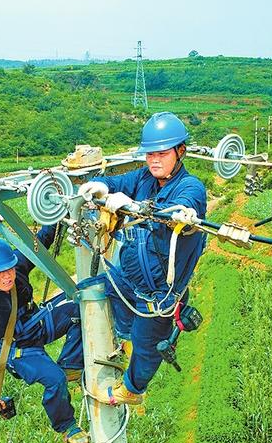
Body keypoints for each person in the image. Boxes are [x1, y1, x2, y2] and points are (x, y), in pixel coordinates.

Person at [77, 112, 207, 405]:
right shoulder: (146, 178)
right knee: (97, 287)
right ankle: (119, 341)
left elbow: (174, 213)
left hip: (159, 292)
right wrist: (101, 185)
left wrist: (133, 205)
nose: (154, 160)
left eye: (162, 153)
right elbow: (119, 180)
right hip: (131, 276)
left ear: (180, 151)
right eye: (150, 154)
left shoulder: (191, 189)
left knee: (147, 347)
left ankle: (132, 390)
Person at [0, 219, 88, 443]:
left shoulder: (15, 269)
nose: (8, 276)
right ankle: (66, 425)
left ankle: (71, 365)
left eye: (9, 269)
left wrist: (59, 216)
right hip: (16, 349)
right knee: (54, 380)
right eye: (0, 273)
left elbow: (37, 244)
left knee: (80, 313)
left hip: (34, 326)